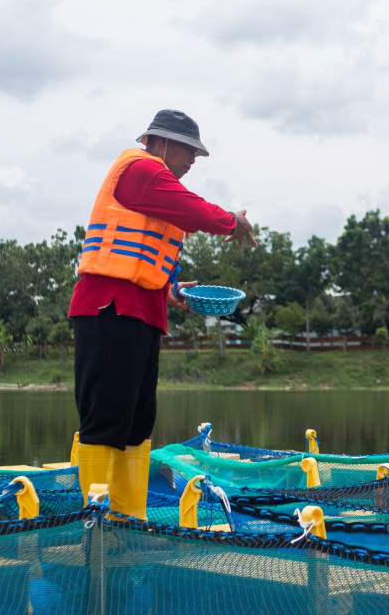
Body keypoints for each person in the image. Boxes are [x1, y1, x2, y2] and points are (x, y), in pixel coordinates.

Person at [68, 109, 257, 519]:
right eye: (189, 150)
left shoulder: (154, 179)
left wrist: (169, 288)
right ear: (161, 142)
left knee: (138, 422)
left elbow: (138, 255)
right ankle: (96, 522)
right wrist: (231, 222)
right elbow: (191, 209)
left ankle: (130, 517)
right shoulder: (142, 169)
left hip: (141, 309)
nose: (193, 161)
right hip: (109, 307)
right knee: (106, 418)